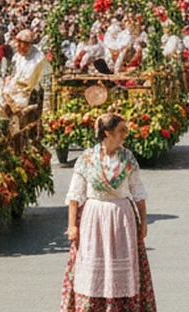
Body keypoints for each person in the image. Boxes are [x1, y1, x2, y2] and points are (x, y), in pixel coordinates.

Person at [61, 113, 155, 312]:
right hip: (93, 220)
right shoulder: (87, 158)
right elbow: (75, 195)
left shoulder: (127, 157)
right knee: (92, 267)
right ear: (107, 133)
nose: (125, 134)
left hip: (122, 220)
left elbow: (138, 191)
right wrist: (72, 225)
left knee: (120, 269)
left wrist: (144, 222)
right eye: (121, 130)